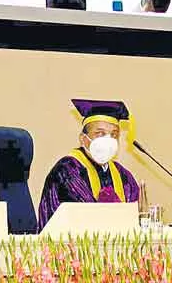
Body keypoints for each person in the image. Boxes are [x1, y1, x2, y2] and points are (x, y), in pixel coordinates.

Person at [37, 99, 140, 231]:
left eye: (114, 135)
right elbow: (91, 216)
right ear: (83, 139)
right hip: (71, 247)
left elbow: (134, 218)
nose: (108, 140)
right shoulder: (67, 170)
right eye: (100, 134)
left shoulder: (123, 175)